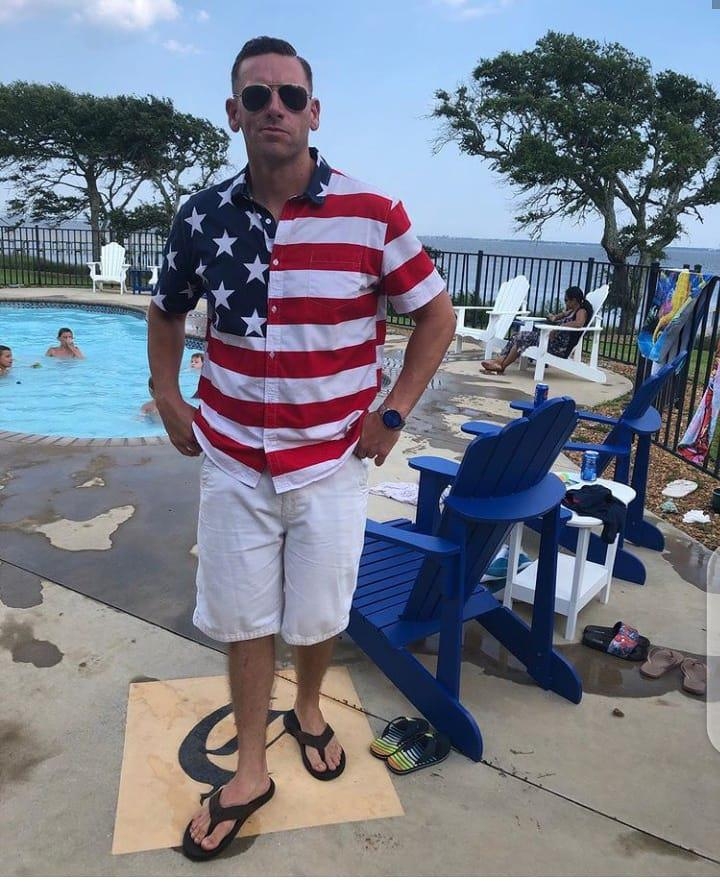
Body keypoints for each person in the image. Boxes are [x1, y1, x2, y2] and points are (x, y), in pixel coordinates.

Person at [147, 35, 456, 861]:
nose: (274, 109)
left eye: (289, 96)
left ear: (314, 112)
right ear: (234, 112)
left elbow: (436, 315)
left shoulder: (373, 214)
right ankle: (250, 770)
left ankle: (309, 709)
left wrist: (393, 413)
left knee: (317, 612)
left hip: (330, 460)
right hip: (233, 458)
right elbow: (167, 308)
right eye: (257, 97)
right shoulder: (202, 217)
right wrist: (168, 395)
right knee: (244, 616)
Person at [481, 285, 593, 374]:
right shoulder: (572, 310)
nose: (565, 302)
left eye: (566, 300)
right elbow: (557, 317)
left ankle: (502, 365)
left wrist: (557, 328)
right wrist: (554, 317)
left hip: (558, 348)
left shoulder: (581, 311)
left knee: (521, 338)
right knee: (517, 336)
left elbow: (579, 323)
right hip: (550, 341)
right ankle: (499, 362)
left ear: (574, 300)